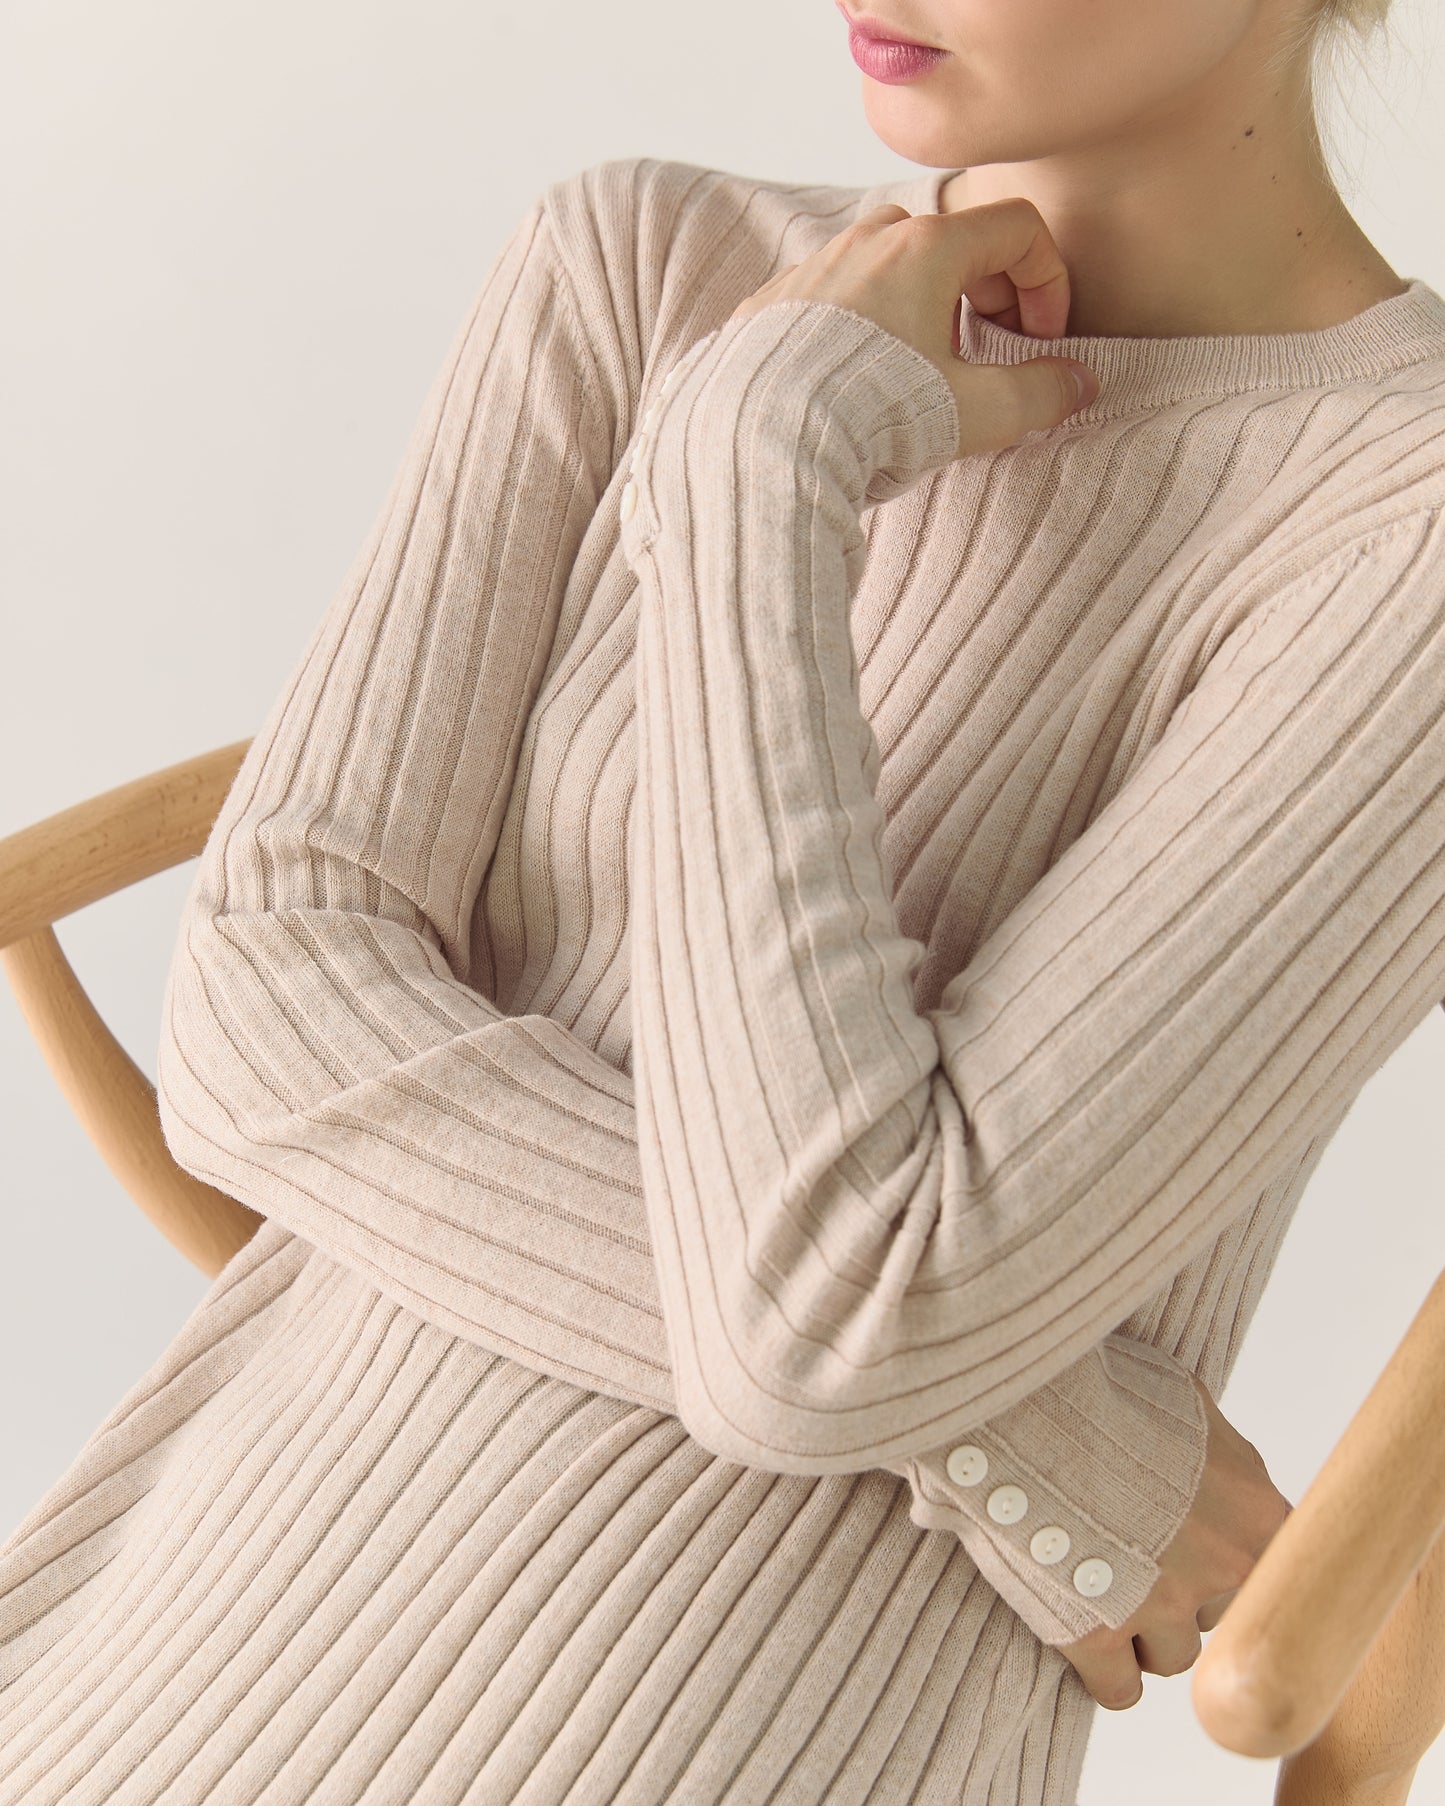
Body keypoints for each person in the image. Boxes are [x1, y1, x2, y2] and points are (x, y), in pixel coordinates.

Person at [2, 0, 1442, 1801]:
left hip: (731, 1728)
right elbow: (255, 1011)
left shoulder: (1406, 527)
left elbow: (847, 1315)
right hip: (181, 1640)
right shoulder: (645, 266)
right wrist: (1060, 1455)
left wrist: (754, 472)